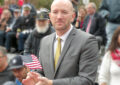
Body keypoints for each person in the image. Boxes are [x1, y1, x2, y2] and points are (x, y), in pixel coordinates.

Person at [22, 0, 98, 85]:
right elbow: (41, 71)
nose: (59, 17)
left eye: (64, 12)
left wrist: (51, 83)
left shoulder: (87, 41)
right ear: (50, 16)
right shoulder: (45, 41)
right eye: (55, 12)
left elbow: (86, 80)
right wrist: (36, 78)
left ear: (73, 16)